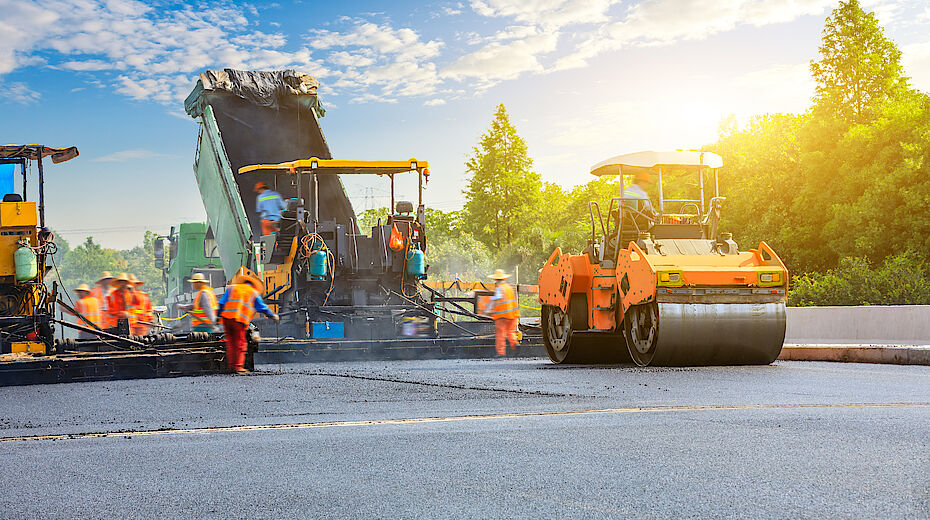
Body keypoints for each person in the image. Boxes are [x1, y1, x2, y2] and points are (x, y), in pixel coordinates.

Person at [217, 268, 278, 373]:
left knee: (231, 343)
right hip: (238, 321)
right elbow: (261, 307)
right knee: (240, 343)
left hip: (226, 319)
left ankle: (231, 367)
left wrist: (217, 316)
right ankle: (238, 367)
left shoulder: (232, 288)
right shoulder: (252, 292)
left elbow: (222, 303)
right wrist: (272, 315)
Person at [483, 269, 520, 357]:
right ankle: (515, 344)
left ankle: (500, 353)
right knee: (510, 331)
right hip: (512, 314)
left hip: (502, 315)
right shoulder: (509, 287)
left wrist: (488, 311)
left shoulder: (499, 288)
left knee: (500, 334)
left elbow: (497, 299)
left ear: (496, 280)